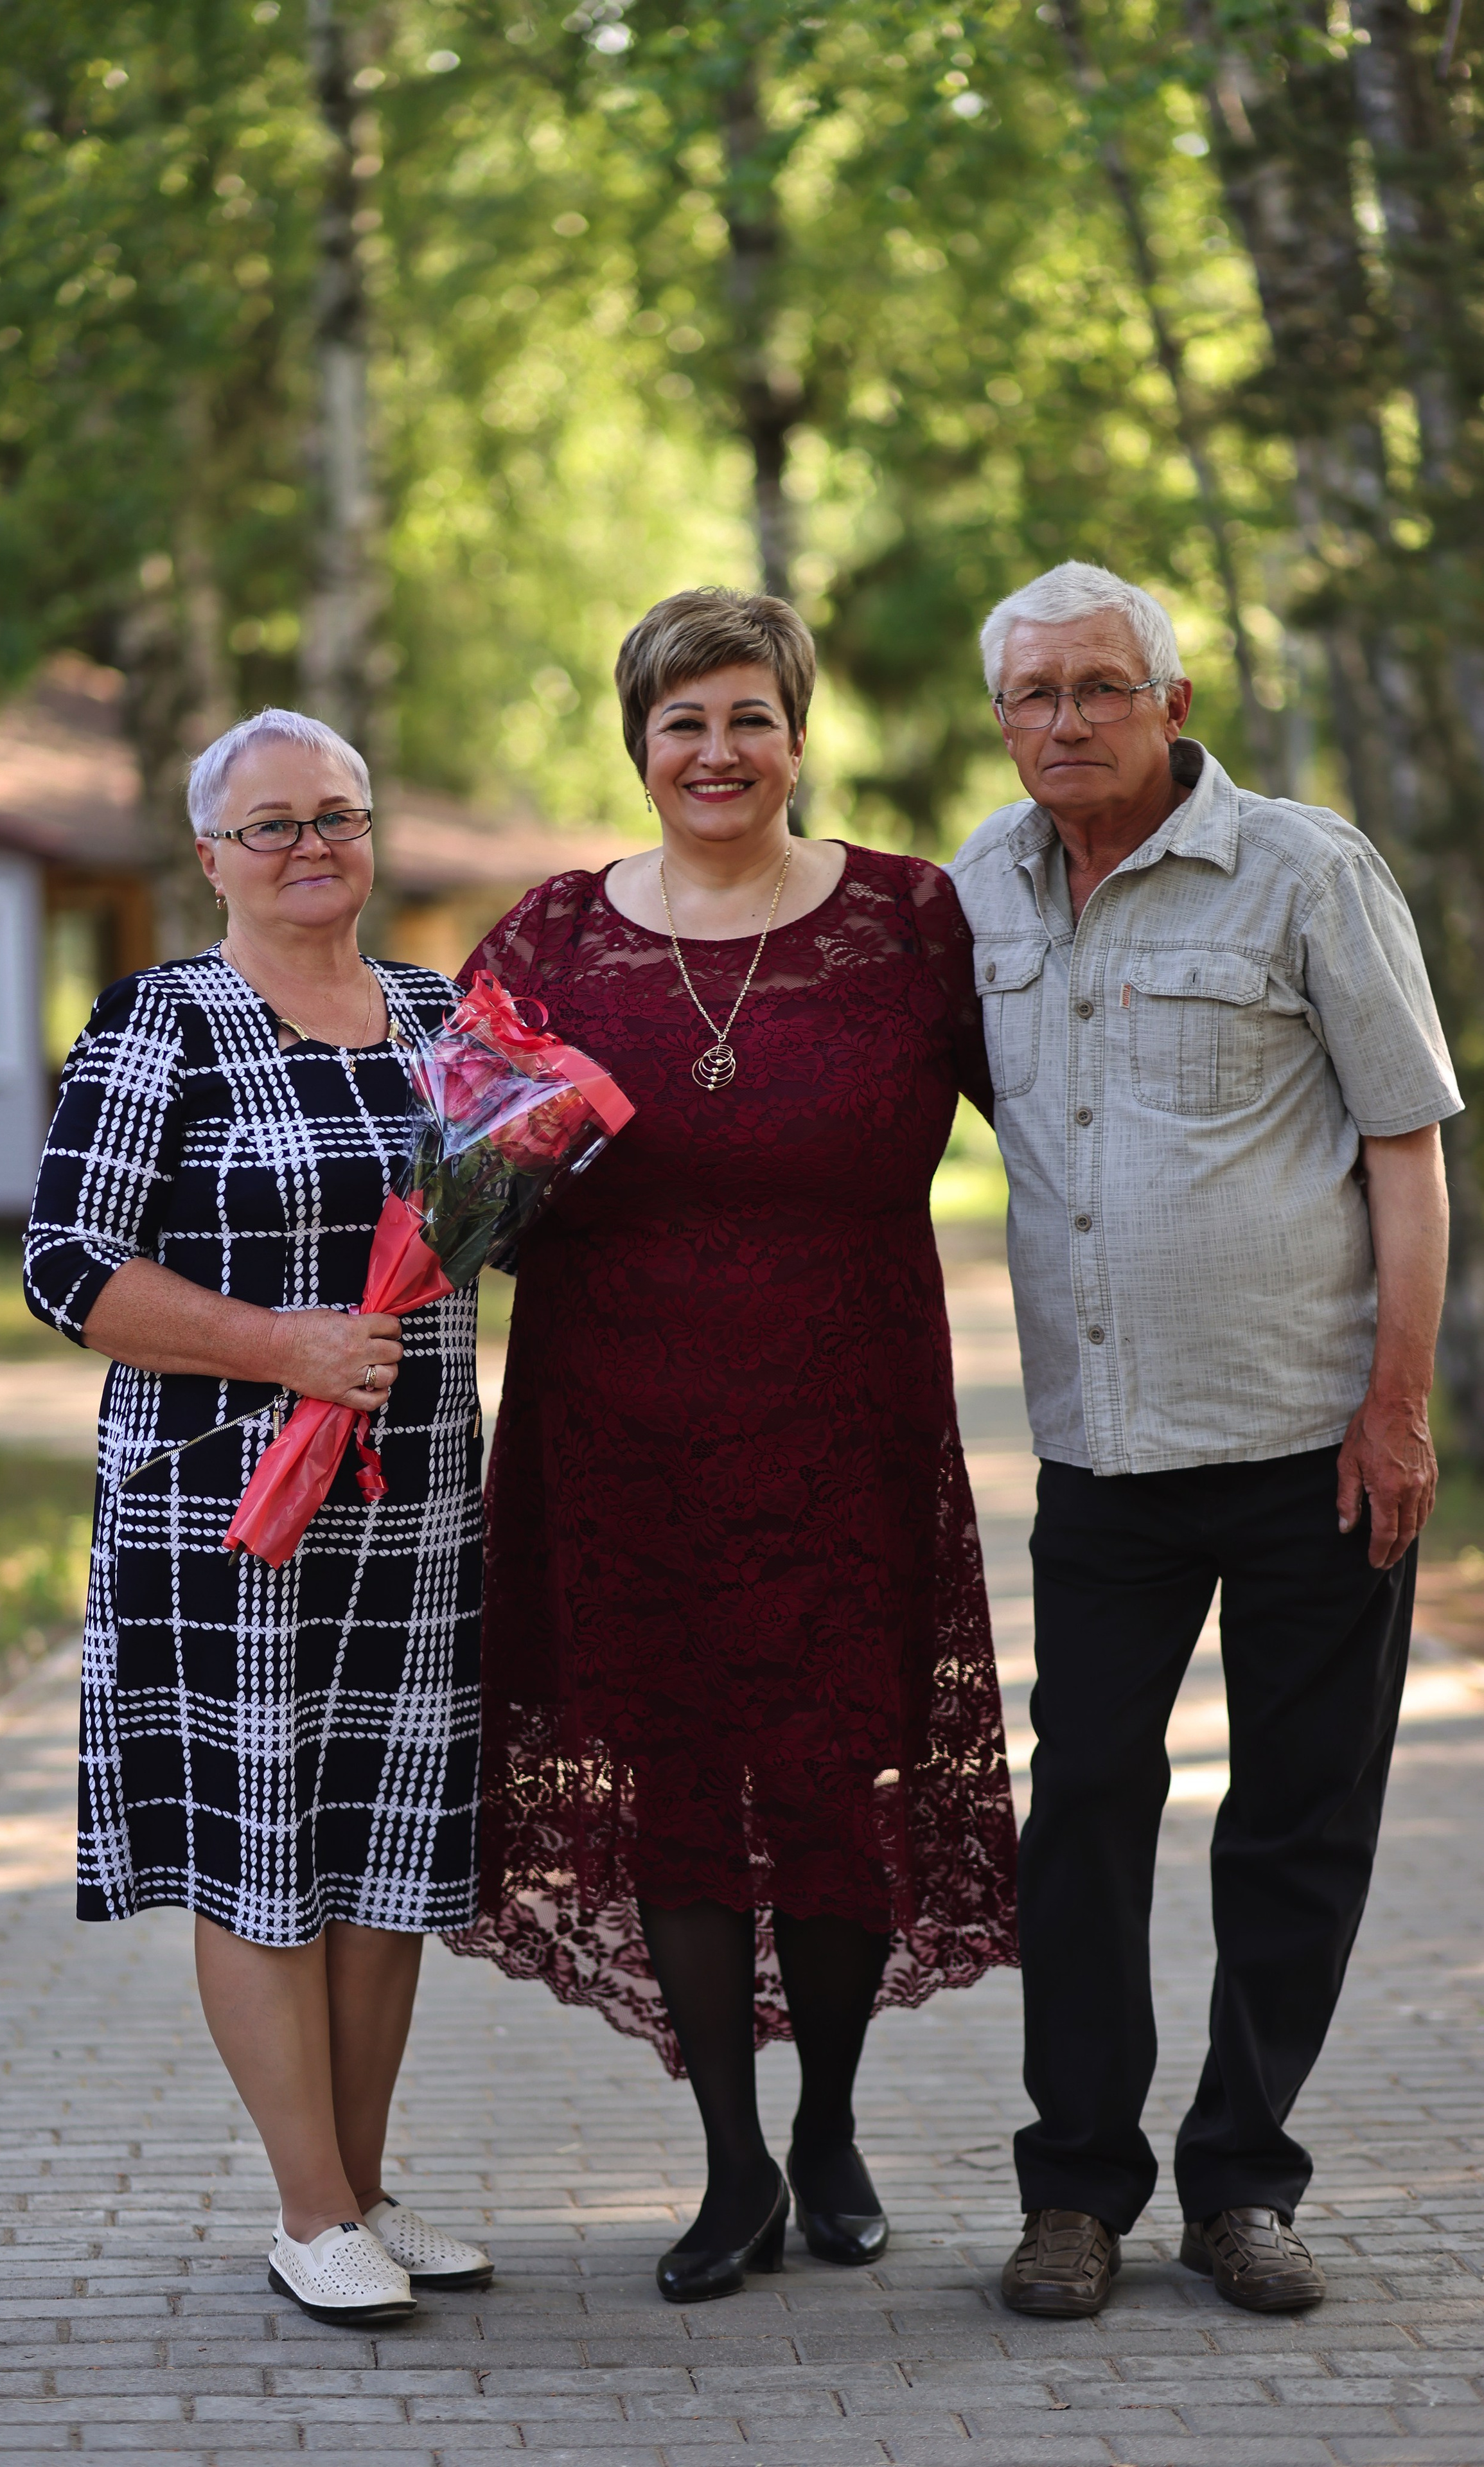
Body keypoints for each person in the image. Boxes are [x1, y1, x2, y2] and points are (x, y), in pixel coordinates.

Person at [449, 587, 1018, 2303]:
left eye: (749, 717)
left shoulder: (913, 925)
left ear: (796, 734)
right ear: (639, 743)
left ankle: (832, 2124)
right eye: (684, 721)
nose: (718, 751)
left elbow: (1073, 1122)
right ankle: (733, 2170)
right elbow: (456, 1211)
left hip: (848, 1427)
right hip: (614, 1440)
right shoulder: (549, 943)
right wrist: (491, 1169)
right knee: (678, 1782)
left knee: (841, 1770)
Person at [947, 560, 1460, 2319]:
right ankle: (1076, 2192)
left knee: (1299, 1819)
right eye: (1034, 695)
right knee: (1084, 1803)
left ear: (1172, 704)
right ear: (1001, 720)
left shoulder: (1306, 870)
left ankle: (1245, 2184)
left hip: (1313, 1439)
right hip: (1102, 1455)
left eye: (1101, 687)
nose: (1067, 721)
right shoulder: (979, 896)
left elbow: (1406, 1143)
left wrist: (1399, 1408)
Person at [23, 709, 493, 2330]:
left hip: (416, 1499)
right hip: (223, 1509)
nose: (312, 848)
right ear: (213, 856)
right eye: (275, 825)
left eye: (338, 818)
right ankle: (308, 2210)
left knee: (385, 1851)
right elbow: (66, 1269)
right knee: (262, 1847)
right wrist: (284, 1345)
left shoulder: (444, 1017)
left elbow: (501, 1223)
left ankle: (361, 2194)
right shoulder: (164, 1022)